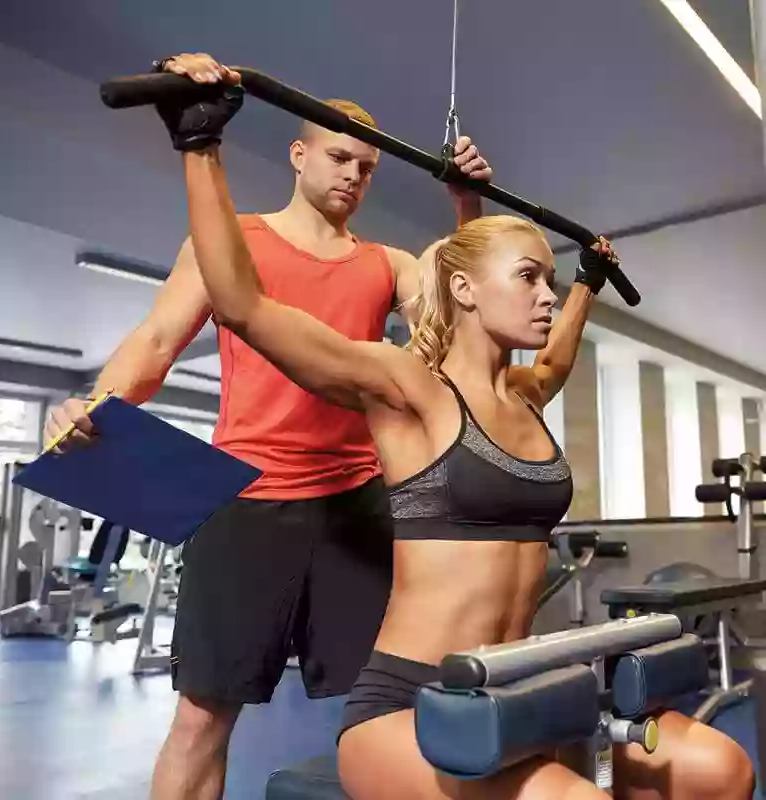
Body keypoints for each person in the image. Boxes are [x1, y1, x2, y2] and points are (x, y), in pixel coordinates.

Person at [159, 66, 756, 800]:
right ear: (467, 289)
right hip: (416, 699)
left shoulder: (527, 393)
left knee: (723, 770)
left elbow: (559, 354)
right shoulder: (409, 391)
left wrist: (587, 285)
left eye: (549, 282)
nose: (545, 296)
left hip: (521, 685)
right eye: (530, 278)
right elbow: (245, 305)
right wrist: (202, 143)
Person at [43, 53, 494, 800]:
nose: (354, 175)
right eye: (340, 157)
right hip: (249, 502)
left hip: (357, 504)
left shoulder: (390, 265)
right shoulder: (232, 244)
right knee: (200, 719)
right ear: (299, 154)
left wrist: (466, 209)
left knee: (394, 711)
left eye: (369, 167)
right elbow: (155, 344)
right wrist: (95, 406)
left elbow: (460, 332)